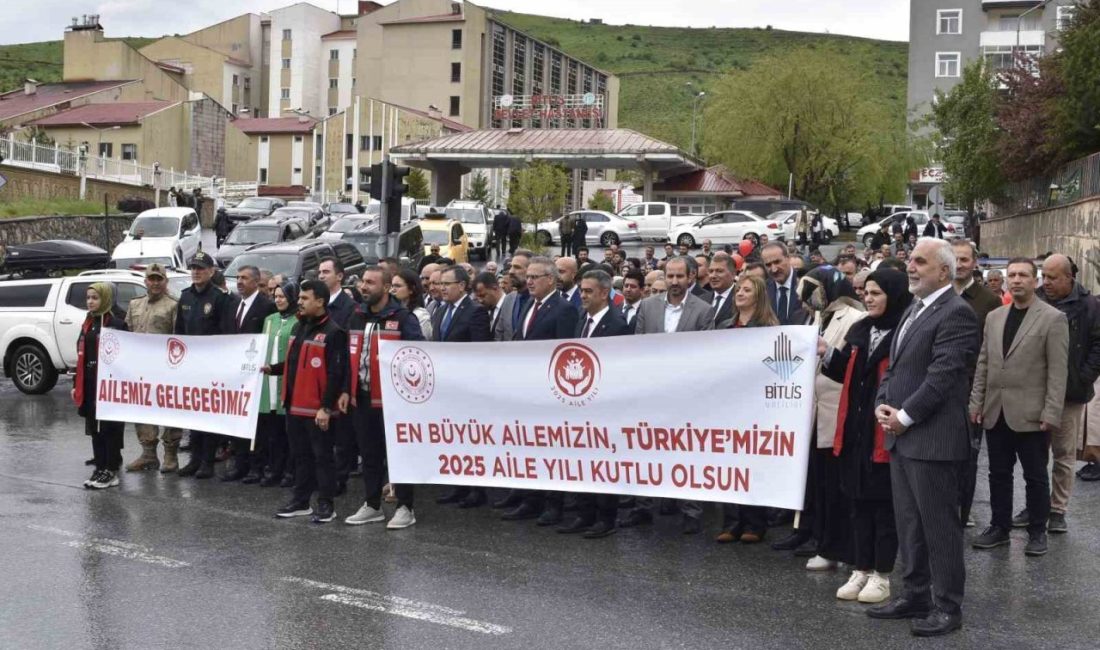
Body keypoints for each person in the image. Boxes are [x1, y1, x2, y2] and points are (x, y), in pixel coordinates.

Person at [867, 237, 978, 637]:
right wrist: (883, 403)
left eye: (920, 261)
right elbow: (896, 367)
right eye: (910, 260)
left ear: (944, 272)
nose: (910, 267)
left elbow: (943, 377)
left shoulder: (957, 313)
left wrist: (905, 416)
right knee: (910, 525)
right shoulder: (915, 308)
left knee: (939, 528)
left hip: (933, 442)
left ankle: (947, 606)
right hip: (902, 436)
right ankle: (915, 594)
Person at [822, 268, 911, 604]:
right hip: (856, 431)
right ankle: (860, 568)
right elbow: (843, 369)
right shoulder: (862, 329)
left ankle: (882, 574)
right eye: (867, 293)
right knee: (858, 504)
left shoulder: (904, 330)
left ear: (893, 294)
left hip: (885, 433)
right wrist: (825, 352)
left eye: (876, 293)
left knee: (883, 508)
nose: (869, 299)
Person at [969, 258, 1068, 557]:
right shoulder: (995, 317)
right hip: (995, 410)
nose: (1016, 280)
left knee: (1035, 475)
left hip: (1032, 415)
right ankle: (1000, 527)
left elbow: (1058, 372)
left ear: (1035, 280)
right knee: (998, 474)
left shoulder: (1053, 318)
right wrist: (977, 402)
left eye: (1023, 275)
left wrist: (1051, 413)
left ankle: (1038, 531)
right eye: (1012, 275)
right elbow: (984, 362)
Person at [622, 257, 716, 535]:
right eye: (670, 276)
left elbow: (706, 354)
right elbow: (637, 347)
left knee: (688, 453)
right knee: (646, 450)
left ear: (691, 278)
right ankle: (643, 507)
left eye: (680, 277)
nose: (675, 282)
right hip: (651, 392)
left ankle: (691, 511)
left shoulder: (704, 311)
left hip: (687, 395)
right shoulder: (649, 307)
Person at [500, 257, 580, 525]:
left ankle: (552, 504)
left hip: (548, 392)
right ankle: (529, 498)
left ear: (551, 279)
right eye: (529, 277)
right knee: (527, 446)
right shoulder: (528, 305)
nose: (529, 281)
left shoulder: (564, 309)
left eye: (535, 277)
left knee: (551, 450)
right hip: (524, 390)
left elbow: (564, 352)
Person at [343, 267, 424, 528]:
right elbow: (346, 358)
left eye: (370, 283)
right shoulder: (356, 316)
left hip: (393, 401)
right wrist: (346, 390)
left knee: (399, 454)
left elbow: (417, 355)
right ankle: (372, 504)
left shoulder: (403, 318)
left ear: (387, 287)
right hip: (362, 398)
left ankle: (405, 507)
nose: (363, 287)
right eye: (362, 282)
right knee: (369, 454)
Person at [555, 269, 633, 539]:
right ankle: (583, 513)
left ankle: (606, 518)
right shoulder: (581, 319)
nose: (583, 296)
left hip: (605, 409)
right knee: (581, 462)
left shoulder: (618, 325)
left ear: (603, 293)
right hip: (579, 405)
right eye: (582, 291)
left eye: (588, 291)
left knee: (603, 465)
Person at [265, 280, 348, 524]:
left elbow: (336, 374)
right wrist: (273, 369)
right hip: (294, 406)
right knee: (300, 456)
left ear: (320, 301)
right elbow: (294, 362)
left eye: (304, 298)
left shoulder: (334, 332)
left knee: (322, 457)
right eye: (299, 298)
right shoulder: (299, 328)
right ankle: (301, 501)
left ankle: (326, 504)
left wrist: (325, 407)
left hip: (316, 409)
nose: (299, 302)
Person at [801, 265, 867, 571]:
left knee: (838, 486)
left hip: (836, 412)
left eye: (814, 289)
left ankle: (839, 548)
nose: (809, 298)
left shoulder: (855, 318)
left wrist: (827, 353)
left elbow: (849, 366)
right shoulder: (819, 316)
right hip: (815, 414)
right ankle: (824, 543)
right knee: (821, 484)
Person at [1033, 255, 1100, 514]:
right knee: (1035, 454)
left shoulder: (1089, 306)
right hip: (1035, 391)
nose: (1046, 282)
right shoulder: (1036, 299)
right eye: (1044, 276)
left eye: (1052, 277)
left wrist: (1083, 377)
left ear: (1069, 278)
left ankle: (1057, 509)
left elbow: (1097, 344)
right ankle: (1035, 504)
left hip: (1070, 393)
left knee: (1064, 455)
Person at [717, 274, 779, 542]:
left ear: (759, 296)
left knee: (752, 464)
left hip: (756, 405)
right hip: (728, 403)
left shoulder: (768, 327)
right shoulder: (724, 326)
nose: (739, 293)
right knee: (728, 464)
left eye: (746, 290)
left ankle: (755, 522)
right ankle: (732, 522)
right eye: (738, 289)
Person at [951, 240, 1004, 527]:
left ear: (974, 263)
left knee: (968, 455)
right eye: (954, 259)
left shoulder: (988, 300)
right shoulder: (937, 293)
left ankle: (963, 510)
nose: (959, 264)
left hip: (972, 388)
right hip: (940, 388)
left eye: (964, 259)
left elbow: (992, 351)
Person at [432, 265, 491, 508]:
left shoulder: (475, 312)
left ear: (462, 286)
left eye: (447, 284)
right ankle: (458, 485)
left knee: (472, 440)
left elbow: (480, 352)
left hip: (467, 388)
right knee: (453, 438)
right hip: (446, 387)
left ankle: (477, 490)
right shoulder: (440, 311)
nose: (442, 288)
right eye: (441, 284)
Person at [176, 252, 234, 479]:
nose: (196, 272)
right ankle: (195, 458)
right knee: (193, 415)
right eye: (193, 268)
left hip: (212, 366)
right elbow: (179, 332)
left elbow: (226, 334)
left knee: (209, 415)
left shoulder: (220, 298)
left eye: (201, 268)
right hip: (191, 366)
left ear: (211, 271)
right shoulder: (186, 297)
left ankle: (208, 461)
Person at [123, 264, 181, 473]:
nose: (155, 283)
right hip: (140, 369)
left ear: (165, 281)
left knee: (170, 411)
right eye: (151, 279)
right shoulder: (135, 305)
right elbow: (127, 332)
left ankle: (170, 454)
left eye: (159, 279)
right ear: (145, 281)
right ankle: (148, 454)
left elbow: (179, 338)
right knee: (143, 410)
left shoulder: (173, 305)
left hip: (166, 369)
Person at [73, 282, 129, 490]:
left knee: (109, 428)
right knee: (93, 427)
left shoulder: (115, 323)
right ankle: (100, 464)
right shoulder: (88, 322)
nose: (90, 302)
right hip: (88, 382)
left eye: (95, 298)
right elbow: (81, 354)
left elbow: (125, 355)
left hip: (108, 384)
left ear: (105, 299)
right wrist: (75, 383)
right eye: (88, 298)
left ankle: (111, 468)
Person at [224, 265, 277, 483]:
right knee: (239, 419)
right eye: (237, 277)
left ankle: (257, 465)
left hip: (256, 372)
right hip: (237, 372)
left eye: (244, 278)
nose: (239, 281)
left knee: (257, 423)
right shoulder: (236, 304)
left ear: (256, 281)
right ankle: (240, 463)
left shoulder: (266, 306)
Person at [256, 282, 299, 488]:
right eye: (276, 296)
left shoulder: (298, 320)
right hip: (268, 383)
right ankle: (273, 468)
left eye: (283, 296)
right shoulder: (269, 320)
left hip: (285, 381)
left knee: (288, 433)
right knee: (272, 433)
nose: (279, 299)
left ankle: (290, 471)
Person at [762, 243, 808, 326]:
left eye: (777, 262)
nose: (774, 269)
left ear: (788, 258)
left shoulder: (806, 284)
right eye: (768, 265)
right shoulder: (763, 290)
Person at [392, 268, 432, 340]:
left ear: (411, 289)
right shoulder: (391, 312)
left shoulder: (421, 315)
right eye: (392, 286)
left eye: (398, 286)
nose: (392, 290)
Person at [319, 257, 356, 328]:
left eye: (326, 272)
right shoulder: (316, 304)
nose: (321, 276)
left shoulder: (351, 308)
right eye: (319, 272)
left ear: (339, 276)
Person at [473, 272, 508, 341]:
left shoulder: (510, 307)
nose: (480, 301)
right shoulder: (484, 310)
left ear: (494, 288)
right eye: (477, 297)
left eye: (482, 296)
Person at [708, 253, 737, 328]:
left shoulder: (742, 299)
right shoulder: (701, 299)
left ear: (733, 274)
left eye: (719, 271)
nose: (713, 276)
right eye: (711, 271)